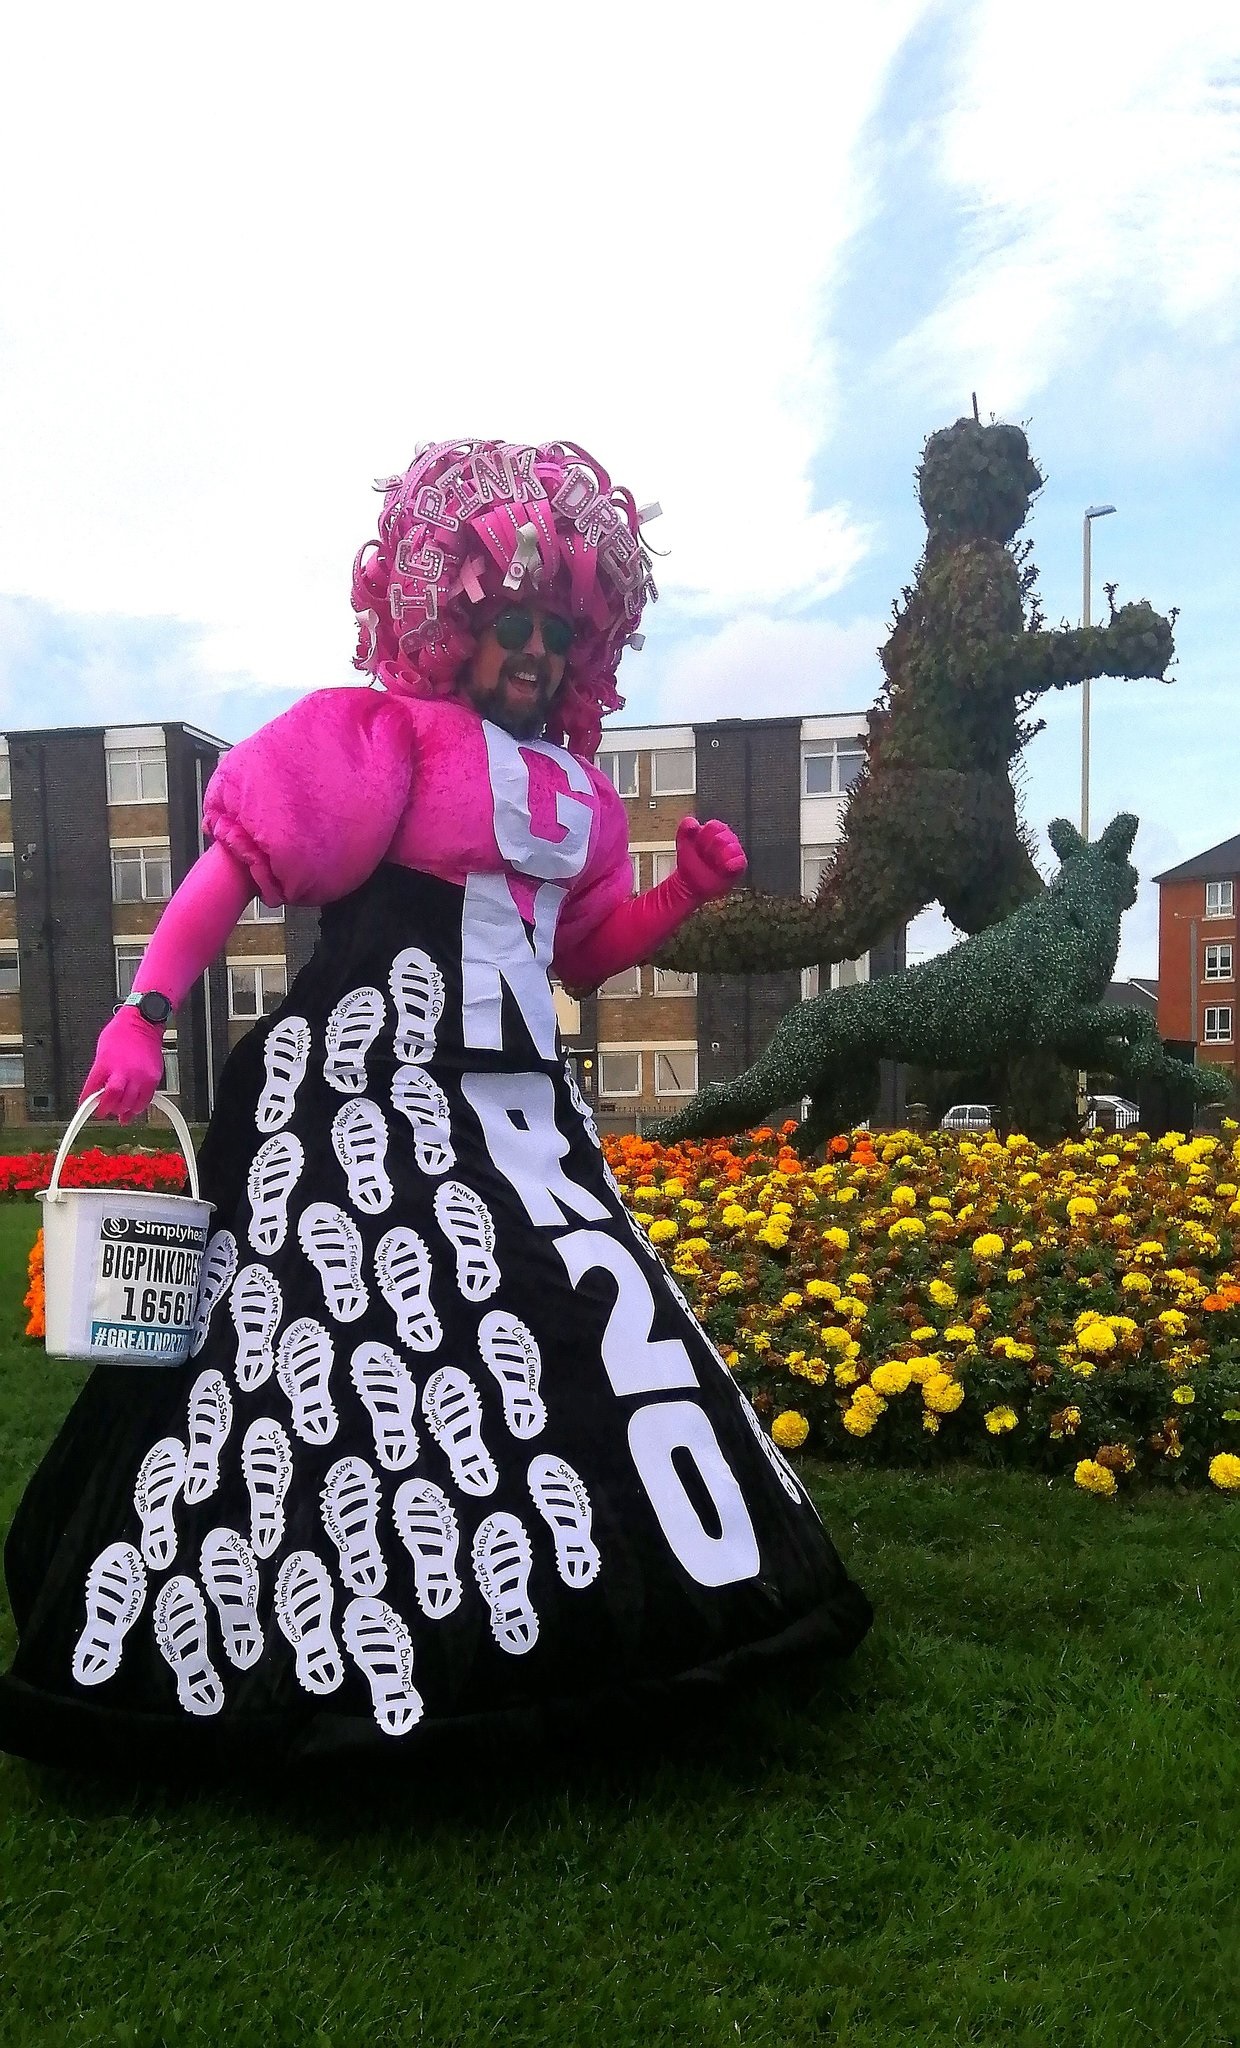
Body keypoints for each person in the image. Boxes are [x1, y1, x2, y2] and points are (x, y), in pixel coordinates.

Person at [0, 439, 871, 1771]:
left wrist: (682, 894)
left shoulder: (576, 793)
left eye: (556, 631)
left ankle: (569, 1602)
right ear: (452, 625)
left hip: (523, 1109)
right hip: (366, 1092)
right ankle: (318, 1617)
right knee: (329, 1359)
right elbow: (233, 869)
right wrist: (145, 1010)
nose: (532, 650)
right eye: (510, 622)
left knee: (572, 1334)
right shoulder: (382, 738)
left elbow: (576, 955)